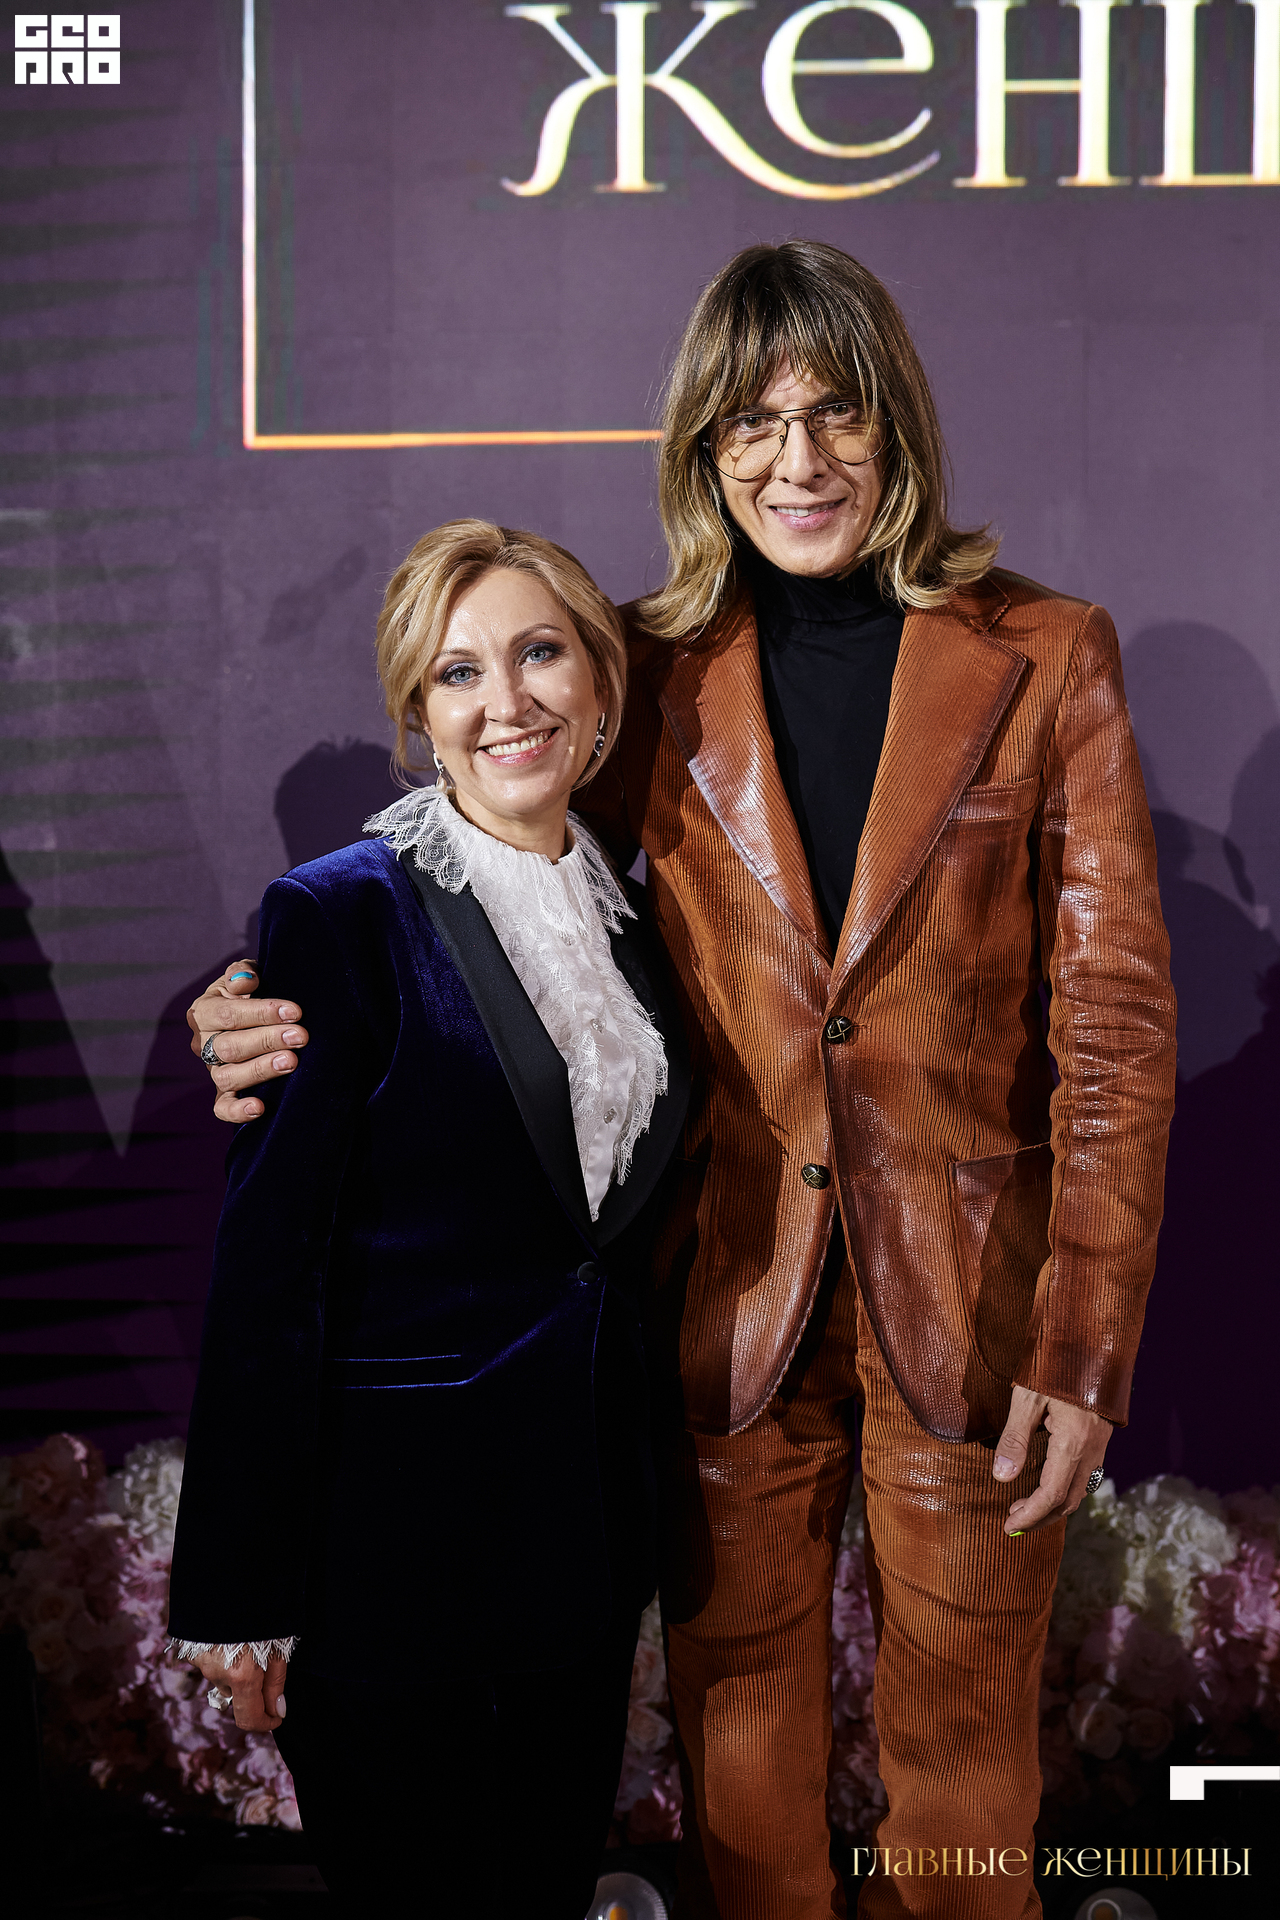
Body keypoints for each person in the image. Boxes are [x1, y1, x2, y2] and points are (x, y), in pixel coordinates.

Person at [190, 243, 1177, 1920]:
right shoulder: (641, 668)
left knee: (963, 1777)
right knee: (743, 1768)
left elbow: (1118, 1025)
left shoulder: (1047, 652)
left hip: (976, 1309)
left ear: (896, 422)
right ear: (706, 452)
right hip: (719, 1301)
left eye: (834, 413)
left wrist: (1083, 1344)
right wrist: (252, 998)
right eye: (752, 425)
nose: (798, 461)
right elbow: (485, 870)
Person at [167, 521, 688, 1919]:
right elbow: (268, 1266)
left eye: (539, 653)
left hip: (578, 1552)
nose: (505, 701)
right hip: (388, 1562)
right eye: (458, 673)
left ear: (600, 680)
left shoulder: (639, 915)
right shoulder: (338, 915)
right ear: (418, 711)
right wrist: (236, 1585)